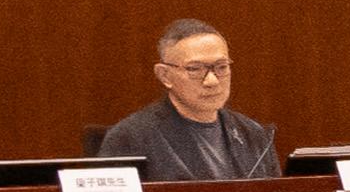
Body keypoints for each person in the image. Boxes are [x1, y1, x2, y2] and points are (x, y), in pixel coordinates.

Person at [94, 19, 282, 182]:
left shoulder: (254, 134)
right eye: (194, 69)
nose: (212, 80)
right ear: (165, 75)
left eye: (221, 67)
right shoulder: (131, 137)